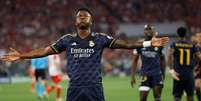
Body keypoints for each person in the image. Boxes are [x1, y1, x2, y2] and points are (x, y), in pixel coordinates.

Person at [1, 8, 169, 101]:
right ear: (75, 22)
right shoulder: (67, 40)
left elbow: (124, 44)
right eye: (79, 16)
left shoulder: (100, 38)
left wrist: (147, 43)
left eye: (85, 16)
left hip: (95, 88)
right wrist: (22, 55)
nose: (82, 18)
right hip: (74, 89)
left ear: (91, 21)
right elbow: (44, 51)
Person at [131, 24, 166, 101]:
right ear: (144, 32)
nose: (148, 31)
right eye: (147, 29)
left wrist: (163, 73)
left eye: (150, 29)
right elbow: (135, 60)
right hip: (145, 75)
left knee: (157, 98)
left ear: (153, 32)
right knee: (142, 98)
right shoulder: (140, 44)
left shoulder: (159, 44)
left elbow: (162, 59)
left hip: (156, 74)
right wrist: (133, 75)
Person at [168, 27, 201, 101]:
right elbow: (199, 57)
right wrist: (196, 66)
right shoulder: (193, 45)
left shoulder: (174, 44)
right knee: (190, 97)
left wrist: (171, 69)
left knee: (177, 97)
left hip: (177, 74)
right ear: (186, 34)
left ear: (177, 34)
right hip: (189, 74)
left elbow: (169, 56)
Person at [192, 32, 201, 101]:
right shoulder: (194, 47)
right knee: (197, 87)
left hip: (198, 69)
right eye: (198, 37)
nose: (200, 38)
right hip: (197, 70)